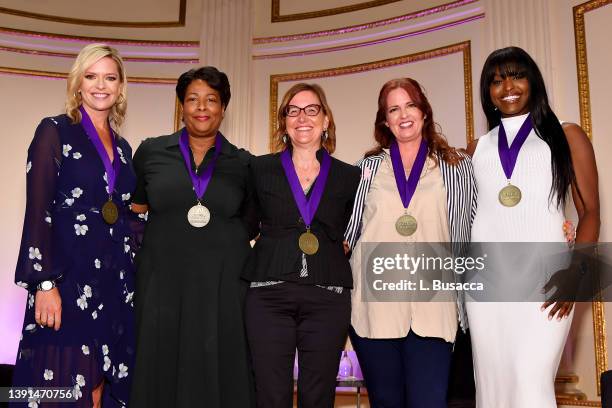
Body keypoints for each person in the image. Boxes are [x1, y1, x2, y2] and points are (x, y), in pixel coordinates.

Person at [465, 46, 600, 407]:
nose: (507, 86)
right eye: (495, 80)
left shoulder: (566, 134)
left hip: (548, 282)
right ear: (487, 93)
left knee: (530, 382)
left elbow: (590, 212)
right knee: (492, 389)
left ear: (533, 82)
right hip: (486, 286)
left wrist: (577, 272)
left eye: (516, 75)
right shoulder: (475, 148)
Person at [11, 43, 136, 407]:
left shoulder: (125, 148)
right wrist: (45, 283)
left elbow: (125, 214)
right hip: (66, 280)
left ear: (120, 86)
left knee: (100, 384)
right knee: (61, 383)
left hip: (113, 284)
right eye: (92, 76)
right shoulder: (54, 130)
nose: (101, 85)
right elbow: (38, 210)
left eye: (110, 77)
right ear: (77, 83)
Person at [344, 77, 477, 408]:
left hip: (434, 308)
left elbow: (478, 225)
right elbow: (346, 232)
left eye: (410, 105)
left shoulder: (456, 167)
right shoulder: (367, 169)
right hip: (375, 311)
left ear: (424, 112)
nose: (403, 114)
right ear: (385, 120)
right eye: (394, 108)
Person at [129, 66, 256, 407]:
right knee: (159, 365)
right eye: (193, 99)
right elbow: (135, 212)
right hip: (161, 284)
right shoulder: (151, 152)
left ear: (223, 108)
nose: (202, 107)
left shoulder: (245, 164)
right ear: (181, 107)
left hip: (223, 287)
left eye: (211, 100)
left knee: (222, 366)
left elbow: (252, 224)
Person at [243, 83, 360, 408]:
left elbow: (357, 228)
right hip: (268, 295)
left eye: (312, 110)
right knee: (270, 395)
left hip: (328, 297)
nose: (302, 117)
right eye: (292, 111)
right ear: (284, 123)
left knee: (318, 397)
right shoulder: (259, 169)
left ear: (326, 120)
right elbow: (244, 226)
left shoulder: (350, 177)